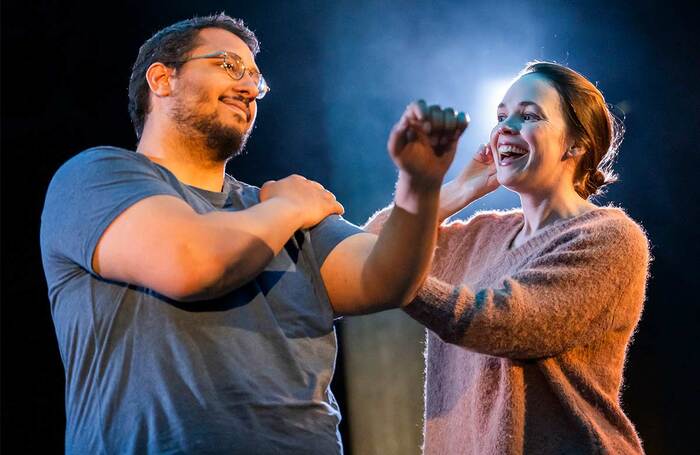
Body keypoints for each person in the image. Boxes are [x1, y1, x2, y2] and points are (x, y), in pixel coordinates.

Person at [39, 13, 469, 454]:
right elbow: (190, 263)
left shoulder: (278, 208)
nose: (248, 88)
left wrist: (420, 187)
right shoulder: (97, 177)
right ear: (162, 79)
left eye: (255, 80)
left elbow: (386, 277)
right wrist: (290, 206)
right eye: (228, 65)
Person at [365, 61, 650, 454]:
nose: (505, 127)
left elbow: (500, 323)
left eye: (528, 115)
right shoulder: (484, 234)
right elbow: (371, 247)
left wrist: (397, 276)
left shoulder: (608, 237)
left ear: (577, 144)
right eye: (501, 116)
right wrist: (458, 190)